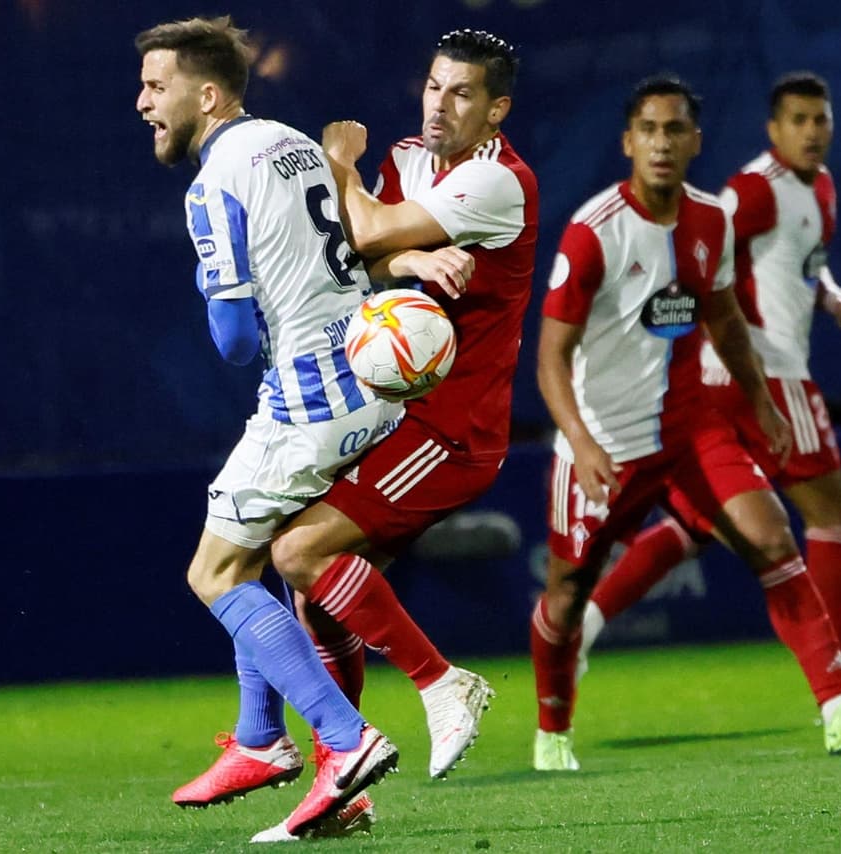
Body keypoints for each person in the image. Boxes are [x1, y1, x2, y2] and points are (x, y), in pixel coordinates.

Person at [530, 74, 841, 772]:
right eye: (649, 130)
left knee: (771, 541)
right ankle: (553, 729)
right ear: (627, 143)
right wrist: (579, 441)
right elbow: (551, 357)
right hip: (606, 439)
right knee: (566, 591)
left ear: (696, 141)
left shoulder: (711, 220)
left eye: (675, 130)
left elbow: (726, 319)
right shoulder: (593, 233)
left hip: (691, 427)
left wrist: (760, 401)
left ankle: (837, 707)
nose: (662, 143)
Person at [131, 15, 438, 842]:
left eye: (156, 88)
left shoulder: (212, 182)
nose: (142, 103)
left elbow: (233, 343)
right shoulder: (292, 141)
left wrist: (212, 286)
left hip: (308, 394)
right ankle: (263, 738)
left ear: (206, 92)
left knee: (214, 572)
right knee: (257, 546)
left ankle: (345, 742)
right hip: (369, 368)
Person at [262, 28, 536, 791]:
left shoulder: (499, 180)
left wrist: (341, 164)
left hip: (452, 432)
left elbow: (370, 224)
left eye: (462, 92)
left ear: (496, 110)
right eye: (433, 85)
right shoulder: (411, 158)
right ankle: (339, 775)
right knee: (318, 601)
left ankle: (441, 684)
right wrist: (410, 257)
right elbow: (363, 254)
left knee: (296, 553)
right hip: (395, 416)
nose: (441, 103)